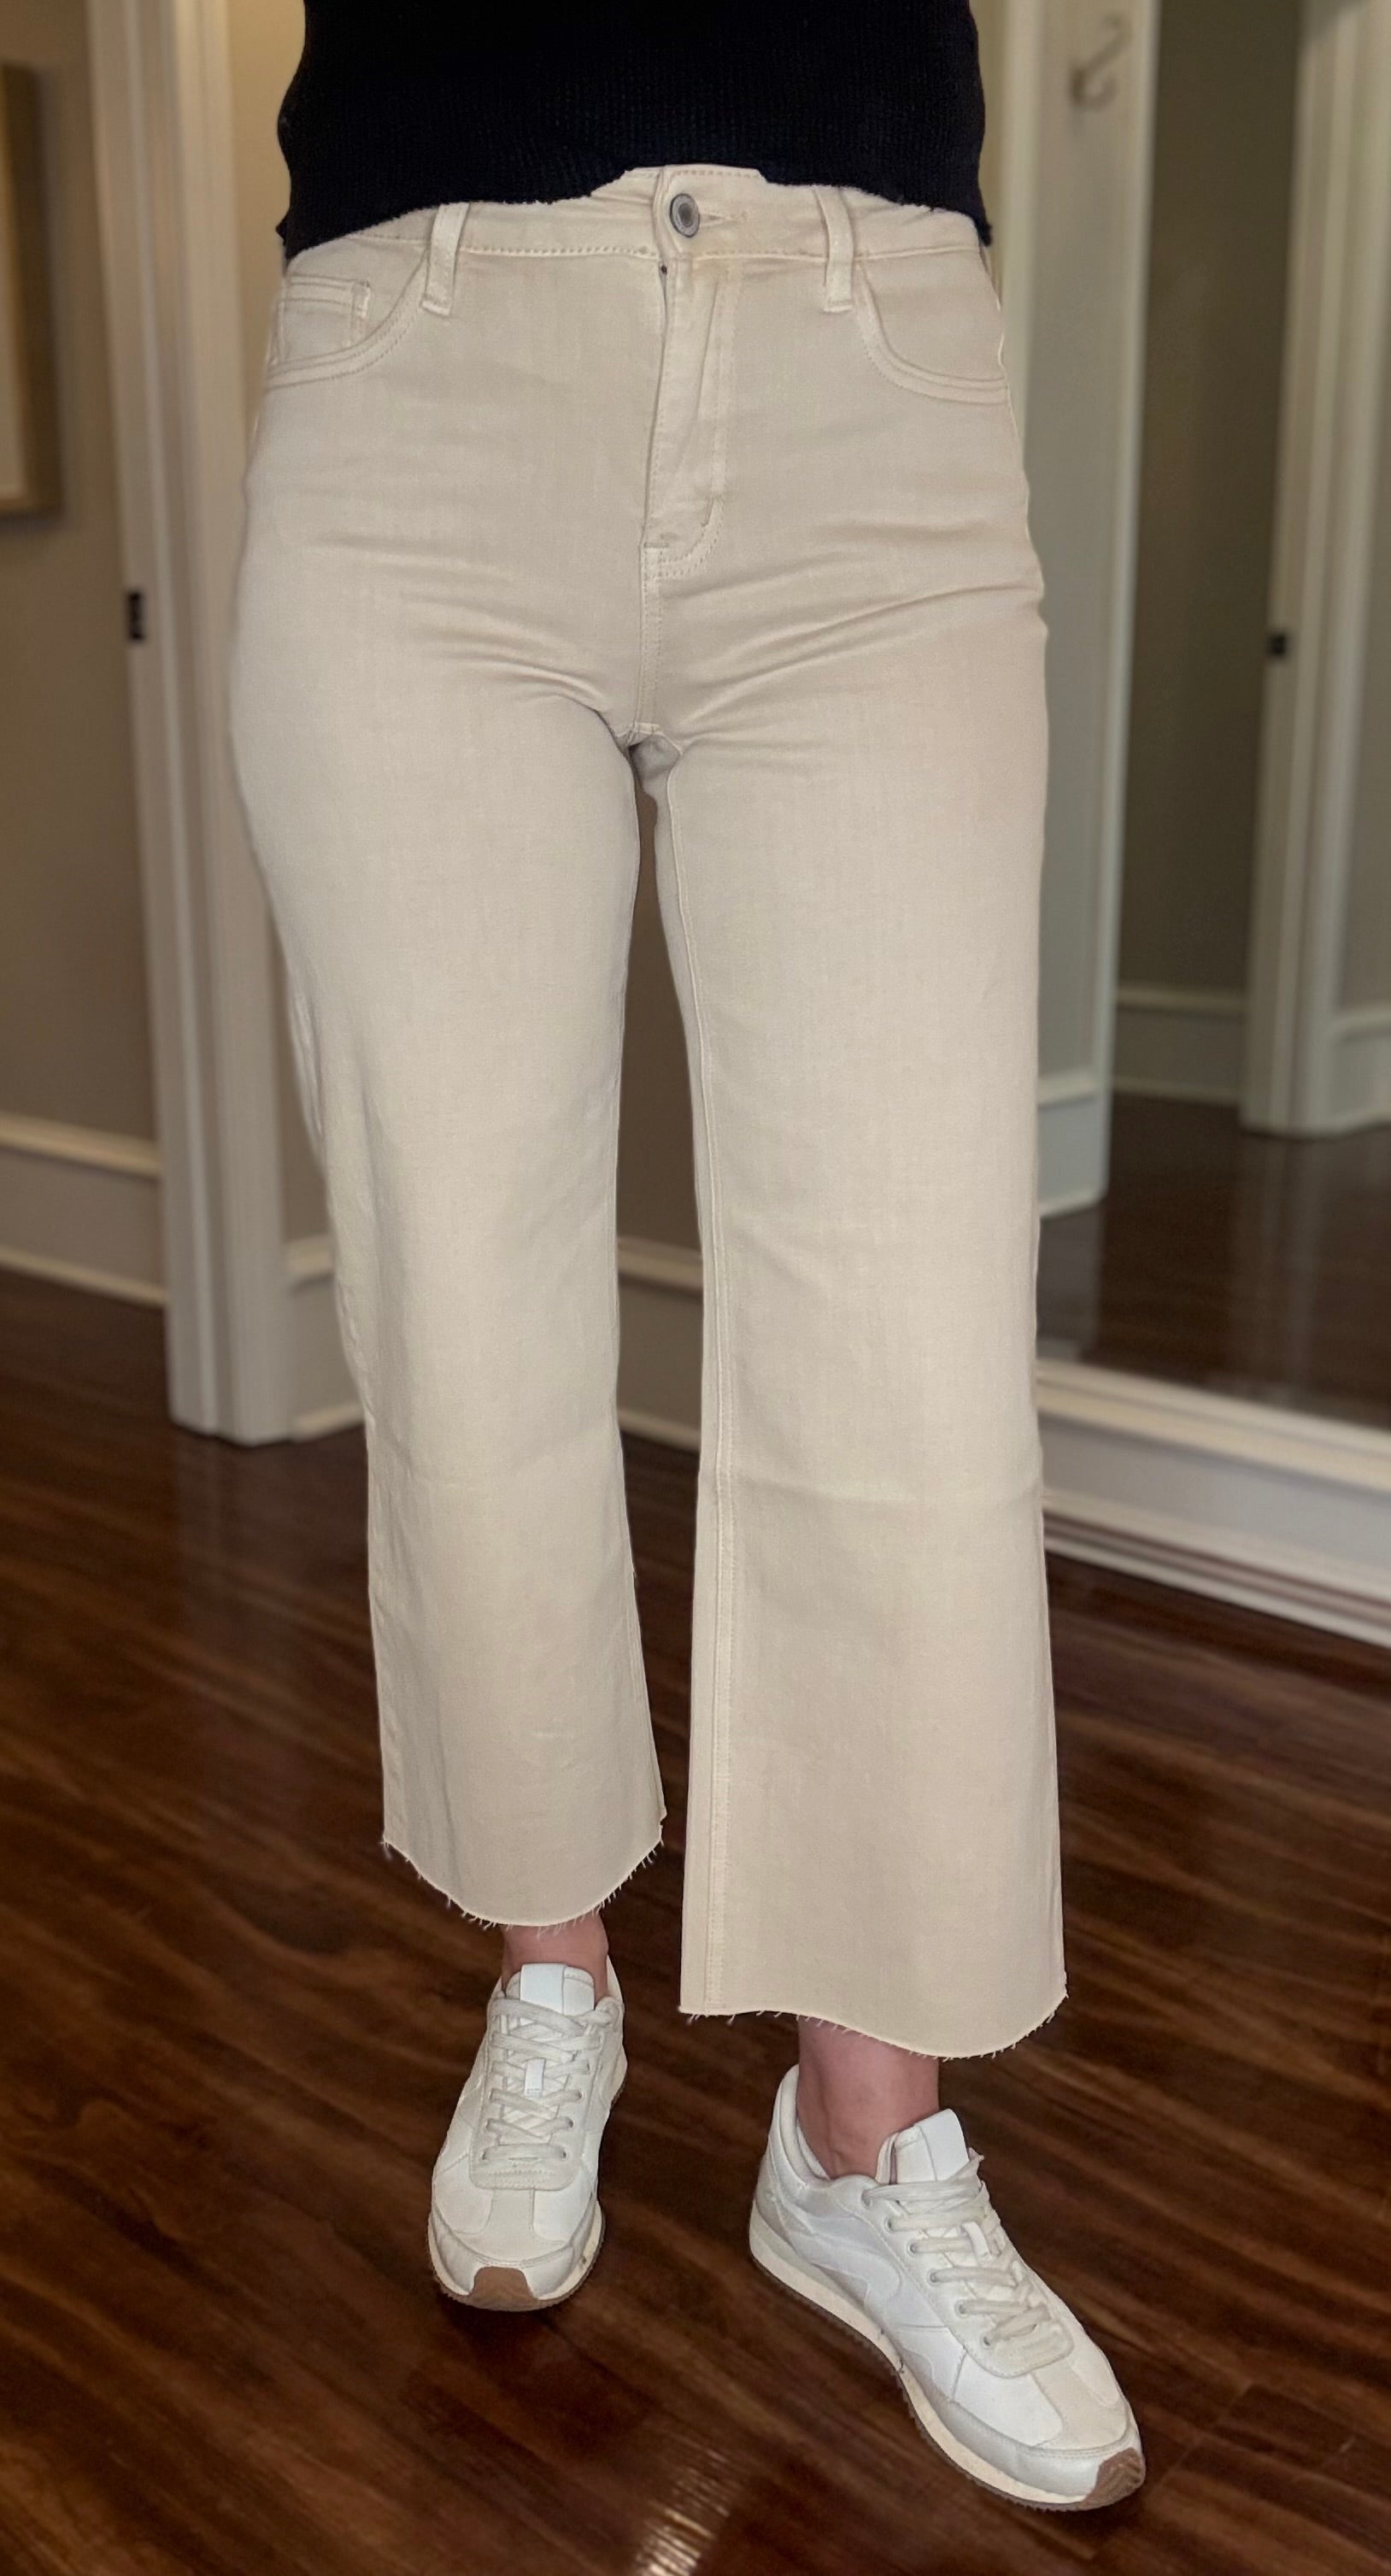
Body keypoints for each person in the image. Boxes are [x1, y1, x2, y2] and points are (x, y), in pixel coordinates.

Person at [228, 2, 1144, 2514]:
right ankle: (553, 1972)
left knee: (908, 1330)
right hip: (416, 373)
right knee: (458, 1273)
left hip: (863, 368)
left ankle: (862, 2137)